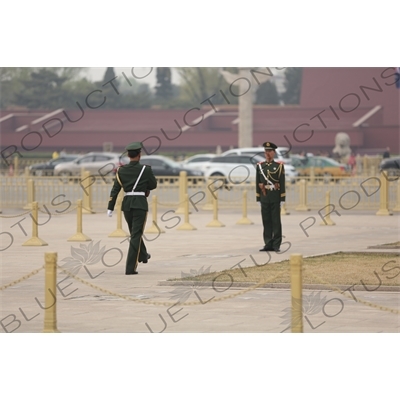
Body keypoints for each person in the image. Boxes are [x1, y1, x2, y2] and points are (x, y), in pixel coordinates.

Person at [107, 142, 157, 275]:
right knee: (136, 234)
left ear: (128, 155)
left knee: (135, 233)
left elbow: (115, 189)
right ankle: (130, 268)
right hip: (140, 204)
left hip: (127, 204)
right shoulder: (145, 169)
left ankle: (143, 255)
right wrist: (144, 187)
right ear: (139, 155)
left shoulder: (121, 170)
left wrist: (110, 207)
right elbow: (153, 185)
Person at [256, 142, 286, 253]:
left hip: (275, 196)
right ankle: (268, 243)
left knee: (276, 221)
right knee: (266, 220)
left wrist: (282, 198)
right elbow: (257, 182)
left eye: (269, 151)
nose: (267, 153)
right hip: (264, 196)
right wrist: (258, 198)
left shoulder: (279, 166)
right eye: (266, 151)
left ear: (273, 152)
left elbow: (282, 182)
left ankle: (276, 244)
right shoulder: (260, 166)